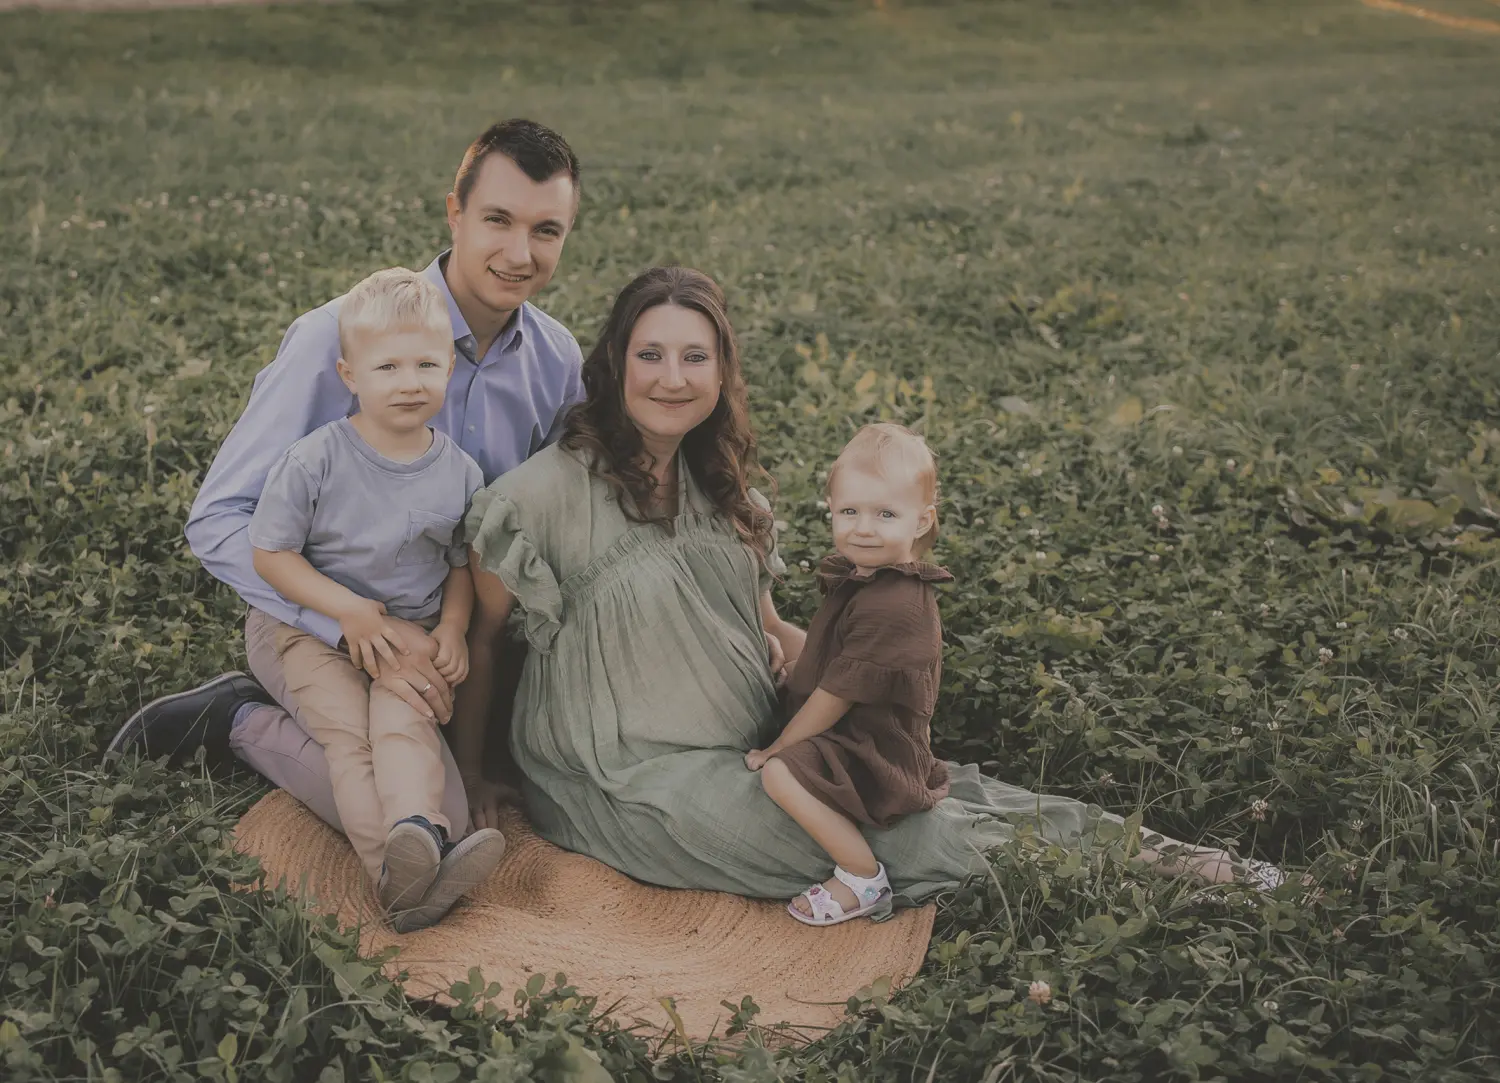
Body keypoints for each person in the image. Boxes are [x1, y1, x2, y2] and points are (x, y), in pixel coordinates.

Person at [451, 265, 1286, 916]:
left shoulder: (718, 489)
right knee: (906, 835)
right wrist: (472, 771)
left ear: (721, 370)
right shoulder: (541, 497)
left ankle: (1205, 860)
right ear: (614, 363)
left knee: (938, 785)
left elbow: (764, 622)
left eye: (695, 356)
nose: (673, 377)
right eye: (651, 354)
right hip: (632, 778)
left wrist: (837, 681)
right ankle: (1178, 891)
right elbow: (485, 642)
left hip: (762, 738)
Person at [107, 119, 585, 913]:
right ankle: (240, 720)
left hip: (443, 635)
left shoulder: (557, 360)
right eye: (497, 220)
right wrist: (345, 626)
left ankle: (423, 819)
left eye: (547, 231)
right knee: (380, 772)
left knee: (448, 802)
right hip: (319, 619)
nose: (519, 253)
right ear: (454, 214)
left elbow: (543, 517)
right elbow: (219, 518)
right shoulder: (336, 337)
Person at [247, 267, 504, 930]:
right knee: (352, 741)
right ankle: (396, 879)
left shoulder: (459, 470)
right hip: (305, 632)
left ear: (449, 366)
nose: (409, 380)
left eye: (425, 363)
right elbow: (270, 555)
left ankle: (419, 834)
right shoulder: (317, 459)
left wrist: (451, 627)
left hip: (406, 633)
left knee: (405, 723)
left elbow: (456, 563)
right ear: (349, 373)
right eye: (387, 365)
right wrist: (349, 610)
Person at [744, 423, 954, 926]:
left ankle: (861, 876)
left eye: (885, 514)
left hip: (872, 747)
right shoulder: (869, 578)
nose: (863, 527)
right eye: (849, 511)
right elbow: (831, 656)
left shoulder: (895, 605)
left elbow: (836, 694)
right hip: (854, 724)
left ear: (922, 521)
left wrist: (779, 748)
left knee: (779, 775)